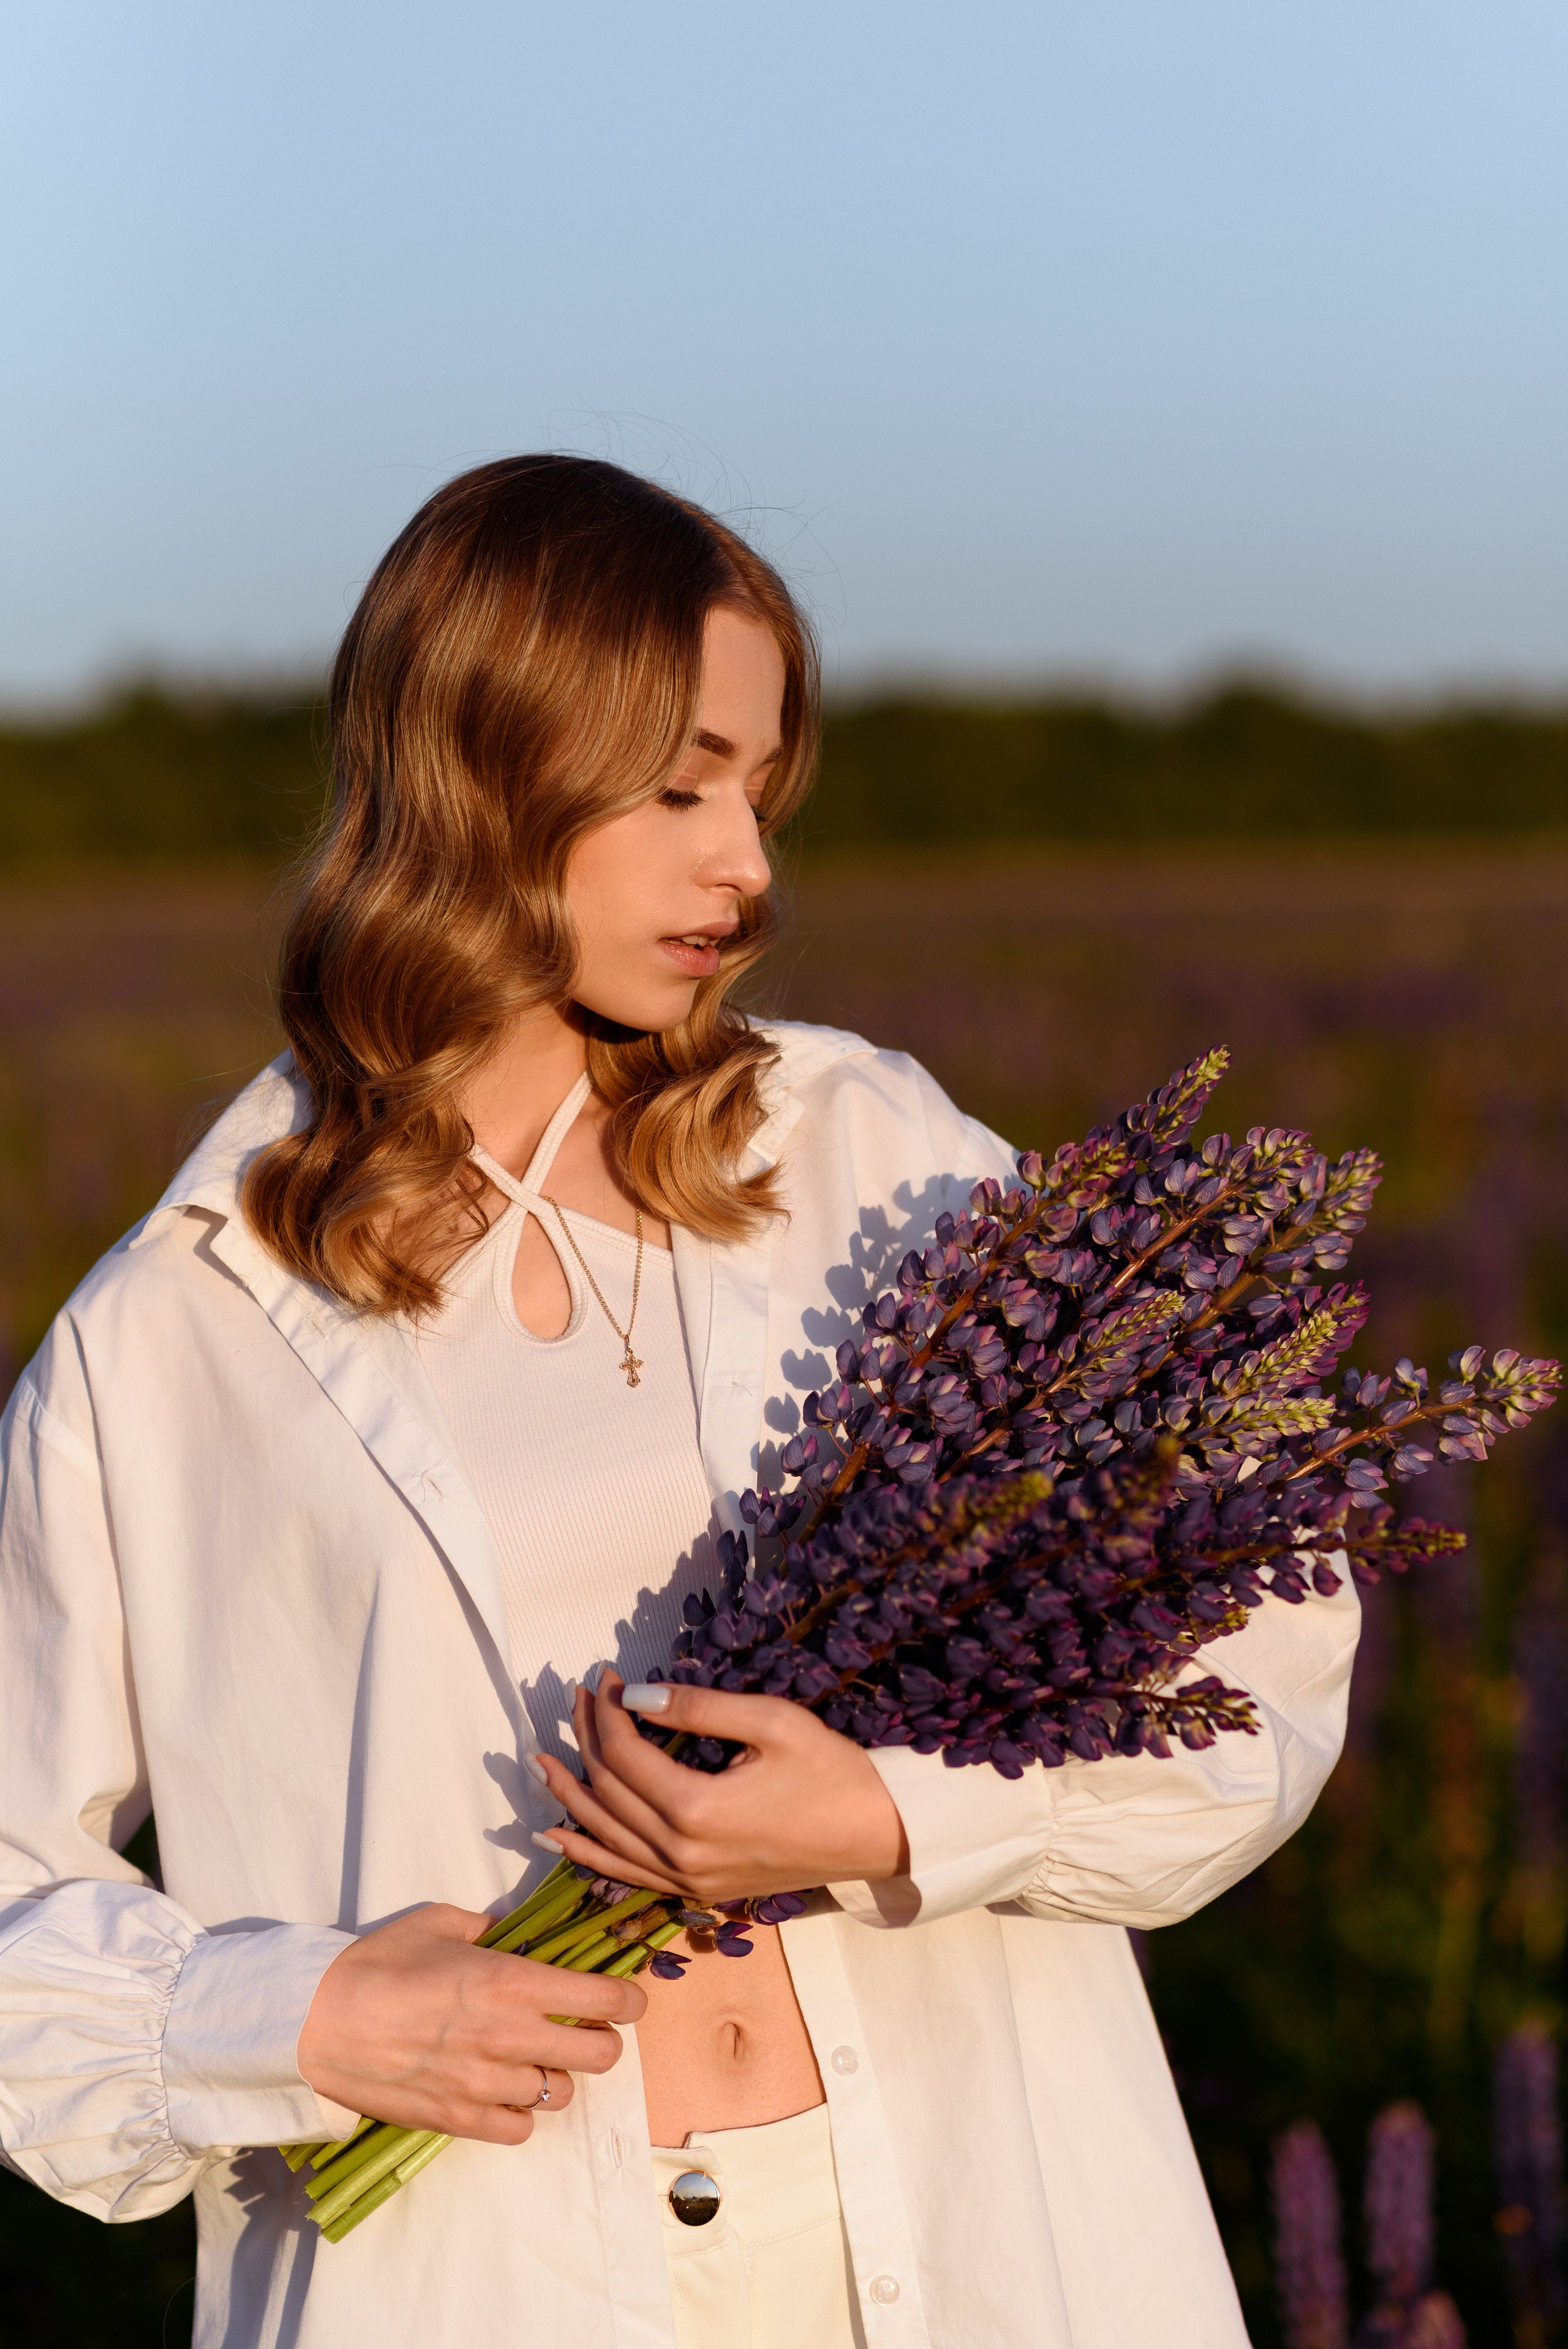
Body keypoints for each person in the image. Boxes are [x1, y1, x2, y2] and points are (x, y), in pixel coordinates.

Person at [0, 455, 1358, 2349]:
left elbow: (1264, 1610)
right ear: (484, 767)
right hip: (487, 2290)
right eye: (681, 786)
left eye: (760, 790)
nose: (751, 867)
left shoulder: (869, 1159)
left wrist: (890, 1814)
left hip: (963, 2251)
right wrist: (300, 2015)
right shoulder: (177, 1330)